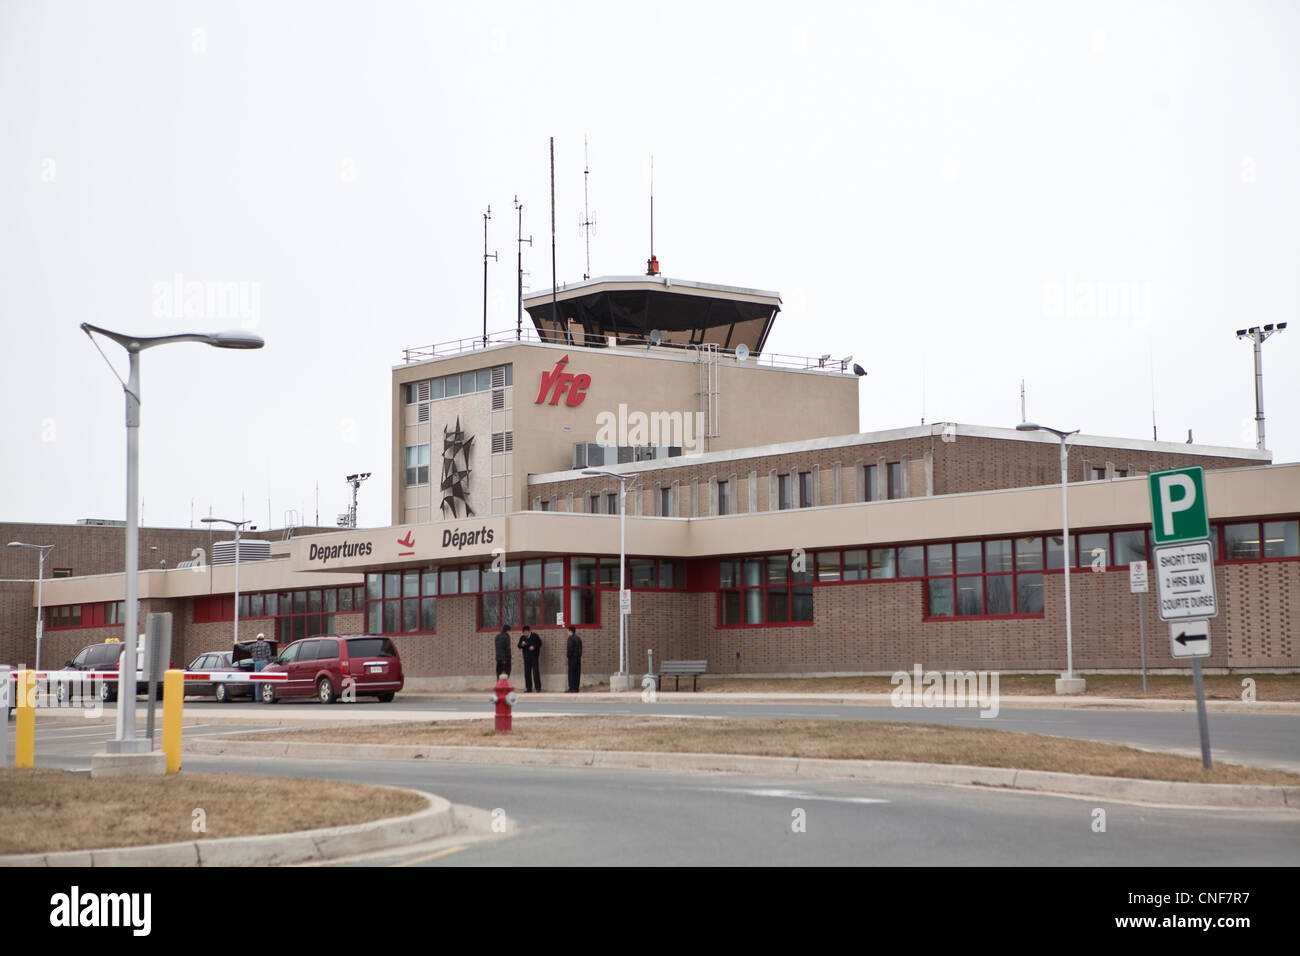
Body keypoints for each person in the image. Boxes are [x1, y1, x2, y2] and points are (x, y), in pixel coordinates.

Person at [517, 624, 543, 692]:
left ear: (529, 631)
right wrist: (522, 645)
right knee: (527, 673)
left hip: (534, 657)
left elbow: (540, 643)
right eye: (523, 633)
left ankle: (538, 688)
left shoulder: (535, 636)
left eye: (526, 632)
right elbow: (519, 646)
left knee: (535, 672)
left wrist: (534, 647)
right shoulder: (522, 637)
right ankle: (528, 688)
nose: (525, 634)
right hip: (526, 657)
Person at [249, 631, 273, 700]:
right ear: (263, 638)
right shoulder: (266, 645)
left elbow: (245, 648)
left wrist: (237, 644)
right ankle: (265, 696)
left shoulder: (253, 645)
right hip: (264, 663)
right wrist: (268, 660)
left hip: (256, 663)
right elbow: (269, 654)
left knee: (257, 681)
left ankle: (257, 698)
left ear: (257, 639)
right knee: (266, 680)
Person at [565, 625, 582, 693]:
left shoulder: (570, 639)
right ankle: (576, 688)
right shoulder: (578, 638)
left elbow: (570, 649)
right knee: (577, 674)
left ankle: (571, 688)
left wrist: (568, 656)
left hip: (572, 658)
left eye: (568, 631)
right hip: (578, 658)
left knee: (571, 673)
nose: (567, 632)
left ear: (570, 631)